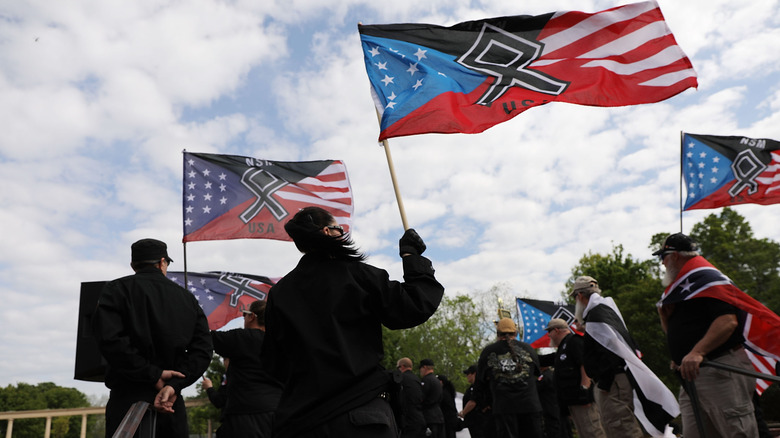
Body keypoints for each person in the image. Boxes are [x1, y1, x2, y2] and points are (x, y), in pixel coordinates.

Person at [261, 206, 445, 438]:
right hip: (361, 416)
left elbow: (272, 363)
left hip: (302, 421)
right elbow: (414, 306)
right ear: (328, 232)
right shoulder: (358, 275)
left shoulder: (279, 294)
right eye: (340, 228)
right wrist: (411, 256)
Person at [92, 238, 213, 438]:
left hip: (127, 402)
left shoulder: (115, 290)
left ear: (133, 265)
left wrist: (152, 374)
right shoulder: (187, 299)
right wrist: (174, 385)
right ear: (162, 262)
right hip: (171, 403)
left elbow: (110, 340)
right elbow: (203, 349)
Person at [655, 233, 759, 438]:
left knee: (737, 432)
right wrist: (666, 321)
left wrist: (696, 352)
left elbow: (728, 321)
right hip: (692, 374)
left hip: (719, 370)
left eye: (663, 258)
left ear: (674, 256)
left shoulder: (707, 280)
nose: (662, 264)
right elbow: (678, 335)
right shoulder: (682, 289)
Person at [573, 276, 678, 437]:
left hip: (613, 383)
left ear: (580, 296)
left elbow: (609, 352)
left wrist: (605, 384)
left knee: (620, 427)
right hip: (615, 380)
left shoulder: (596, 316)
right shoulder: (603, 311)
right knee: (617, 426)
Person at [211, 300, 282, 437]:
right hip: (279, 415)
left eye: (244, 314)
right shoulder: (283, 343)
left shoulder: (241, 338)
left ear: (252, 316)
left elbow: (206, 338)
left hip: (245, 417)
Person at [470, 317, 543, 438]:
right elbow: (537, 373)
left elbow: (479, 383)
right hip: (530, 405)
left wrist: (484, 404)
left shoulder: (489, 351)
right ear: (516, 333)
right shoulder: (528, 349)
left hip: (504, 407)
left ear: (498, 334)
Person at [544, 318, 605, 438]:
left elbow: (584, 365)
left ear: (556, 330)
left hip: (582, 399)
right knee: (584, 433)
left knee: (593, 431)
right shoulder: (562, 348)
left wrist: (585, 390)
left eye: (549, 331)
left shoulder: (573, 341)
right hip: (572, 400)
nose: (548, 335)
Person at [396, 357, 427, 438]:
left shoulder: (401, 378)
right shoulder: (417, 379)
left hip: (408, 421)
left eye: (397, 367)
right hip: (420, 419)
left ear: (402, 366)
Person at [458, 365, 488, 438]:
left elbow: (473, 402)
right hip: (474, 421)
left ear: (474, 374)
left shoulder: (477, 387)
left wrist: (463, 412)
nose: (467, 376)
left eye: (468, 374)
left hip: (478, 420)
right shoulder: (472, 387)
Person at [419, 359, 445, 438]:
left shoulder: (426, 380)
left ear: (424, 367)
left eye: (421, 369)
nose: (420, 371)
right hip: (439, 415)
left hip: (429, 417)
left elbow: (421, 398)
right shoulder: (437, 381)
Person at [437, 374, 462, 438]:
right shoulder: (449, 392)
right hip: (451, 420)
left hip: (447, 421)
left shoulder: (443, 393)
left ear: (441, 382)